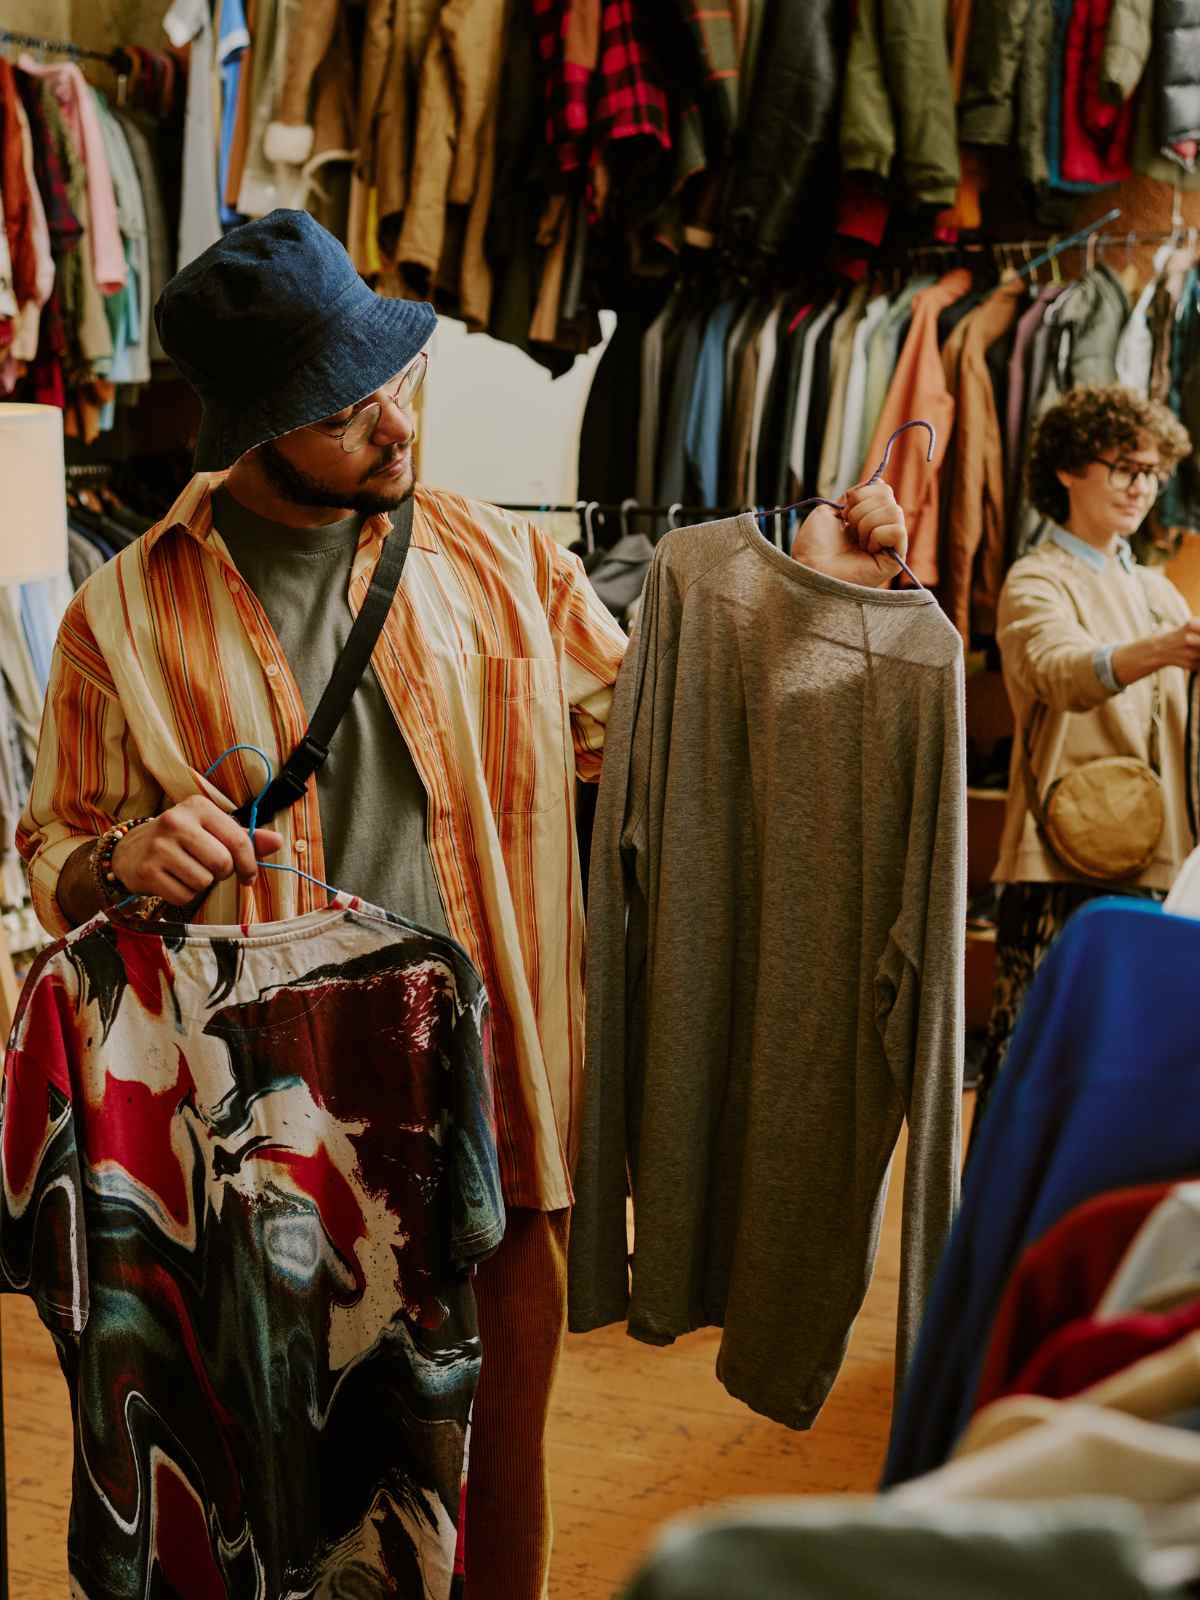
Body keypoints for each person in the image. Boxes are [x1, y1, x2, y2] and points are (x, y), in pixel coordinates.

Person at [17, 209, 911, 1597]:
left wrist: (819, 596)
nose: (394, 424)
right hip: (279, 1139)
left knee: (498, 1468)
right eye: (343, 411)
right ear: (257, 431)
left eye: (395, 380)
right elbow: (56, 852)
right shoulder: (122, 616)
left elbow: (668, 737)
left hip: (497, 1100)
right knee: (293, 1471)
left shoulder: (500, 559)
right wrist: (124, 857)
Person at [977, 383, 1199, 1137]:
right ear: (1070, 469)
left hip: (1160, 862)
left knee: (1122, 1078)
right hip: (1061, 859)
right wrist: (1159, 650)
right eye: (1123, 468)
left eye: (1153, 472)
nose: (1141, 487)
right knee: (1032, 1066)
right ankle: (1000, 1212)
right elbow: (1058, 670)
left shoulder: (1157, 591)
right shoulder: (1037, 578)